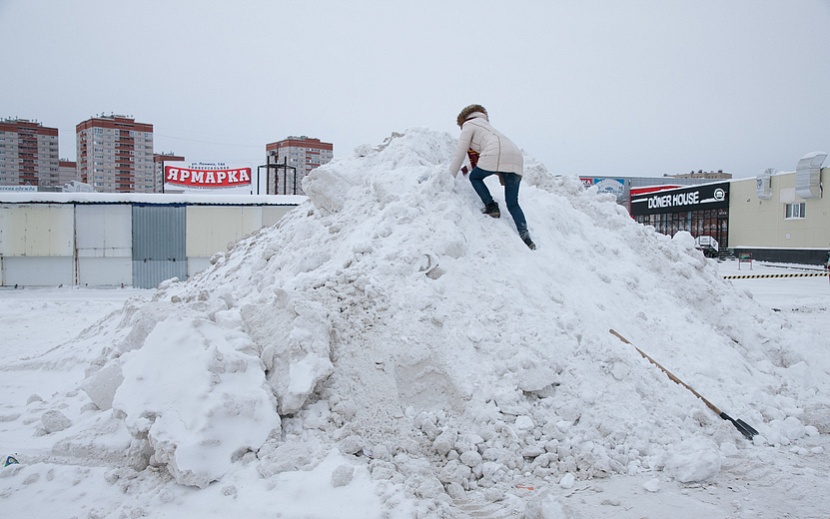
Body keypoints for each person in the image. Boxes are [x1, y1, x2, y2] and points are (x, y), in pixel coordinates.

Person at [448, 104, 536, 250]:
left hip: (496, 154)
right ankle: (526, 238)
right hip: (516, 158)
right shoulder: (489, 128)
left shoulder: (468, 125)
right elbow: (488, 154)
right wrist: (465, 168)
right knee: (513, 203)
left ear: (463, 119)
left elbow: (461, 153)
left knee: (475, 178)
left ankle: (491, 206)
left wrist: (449, 177)